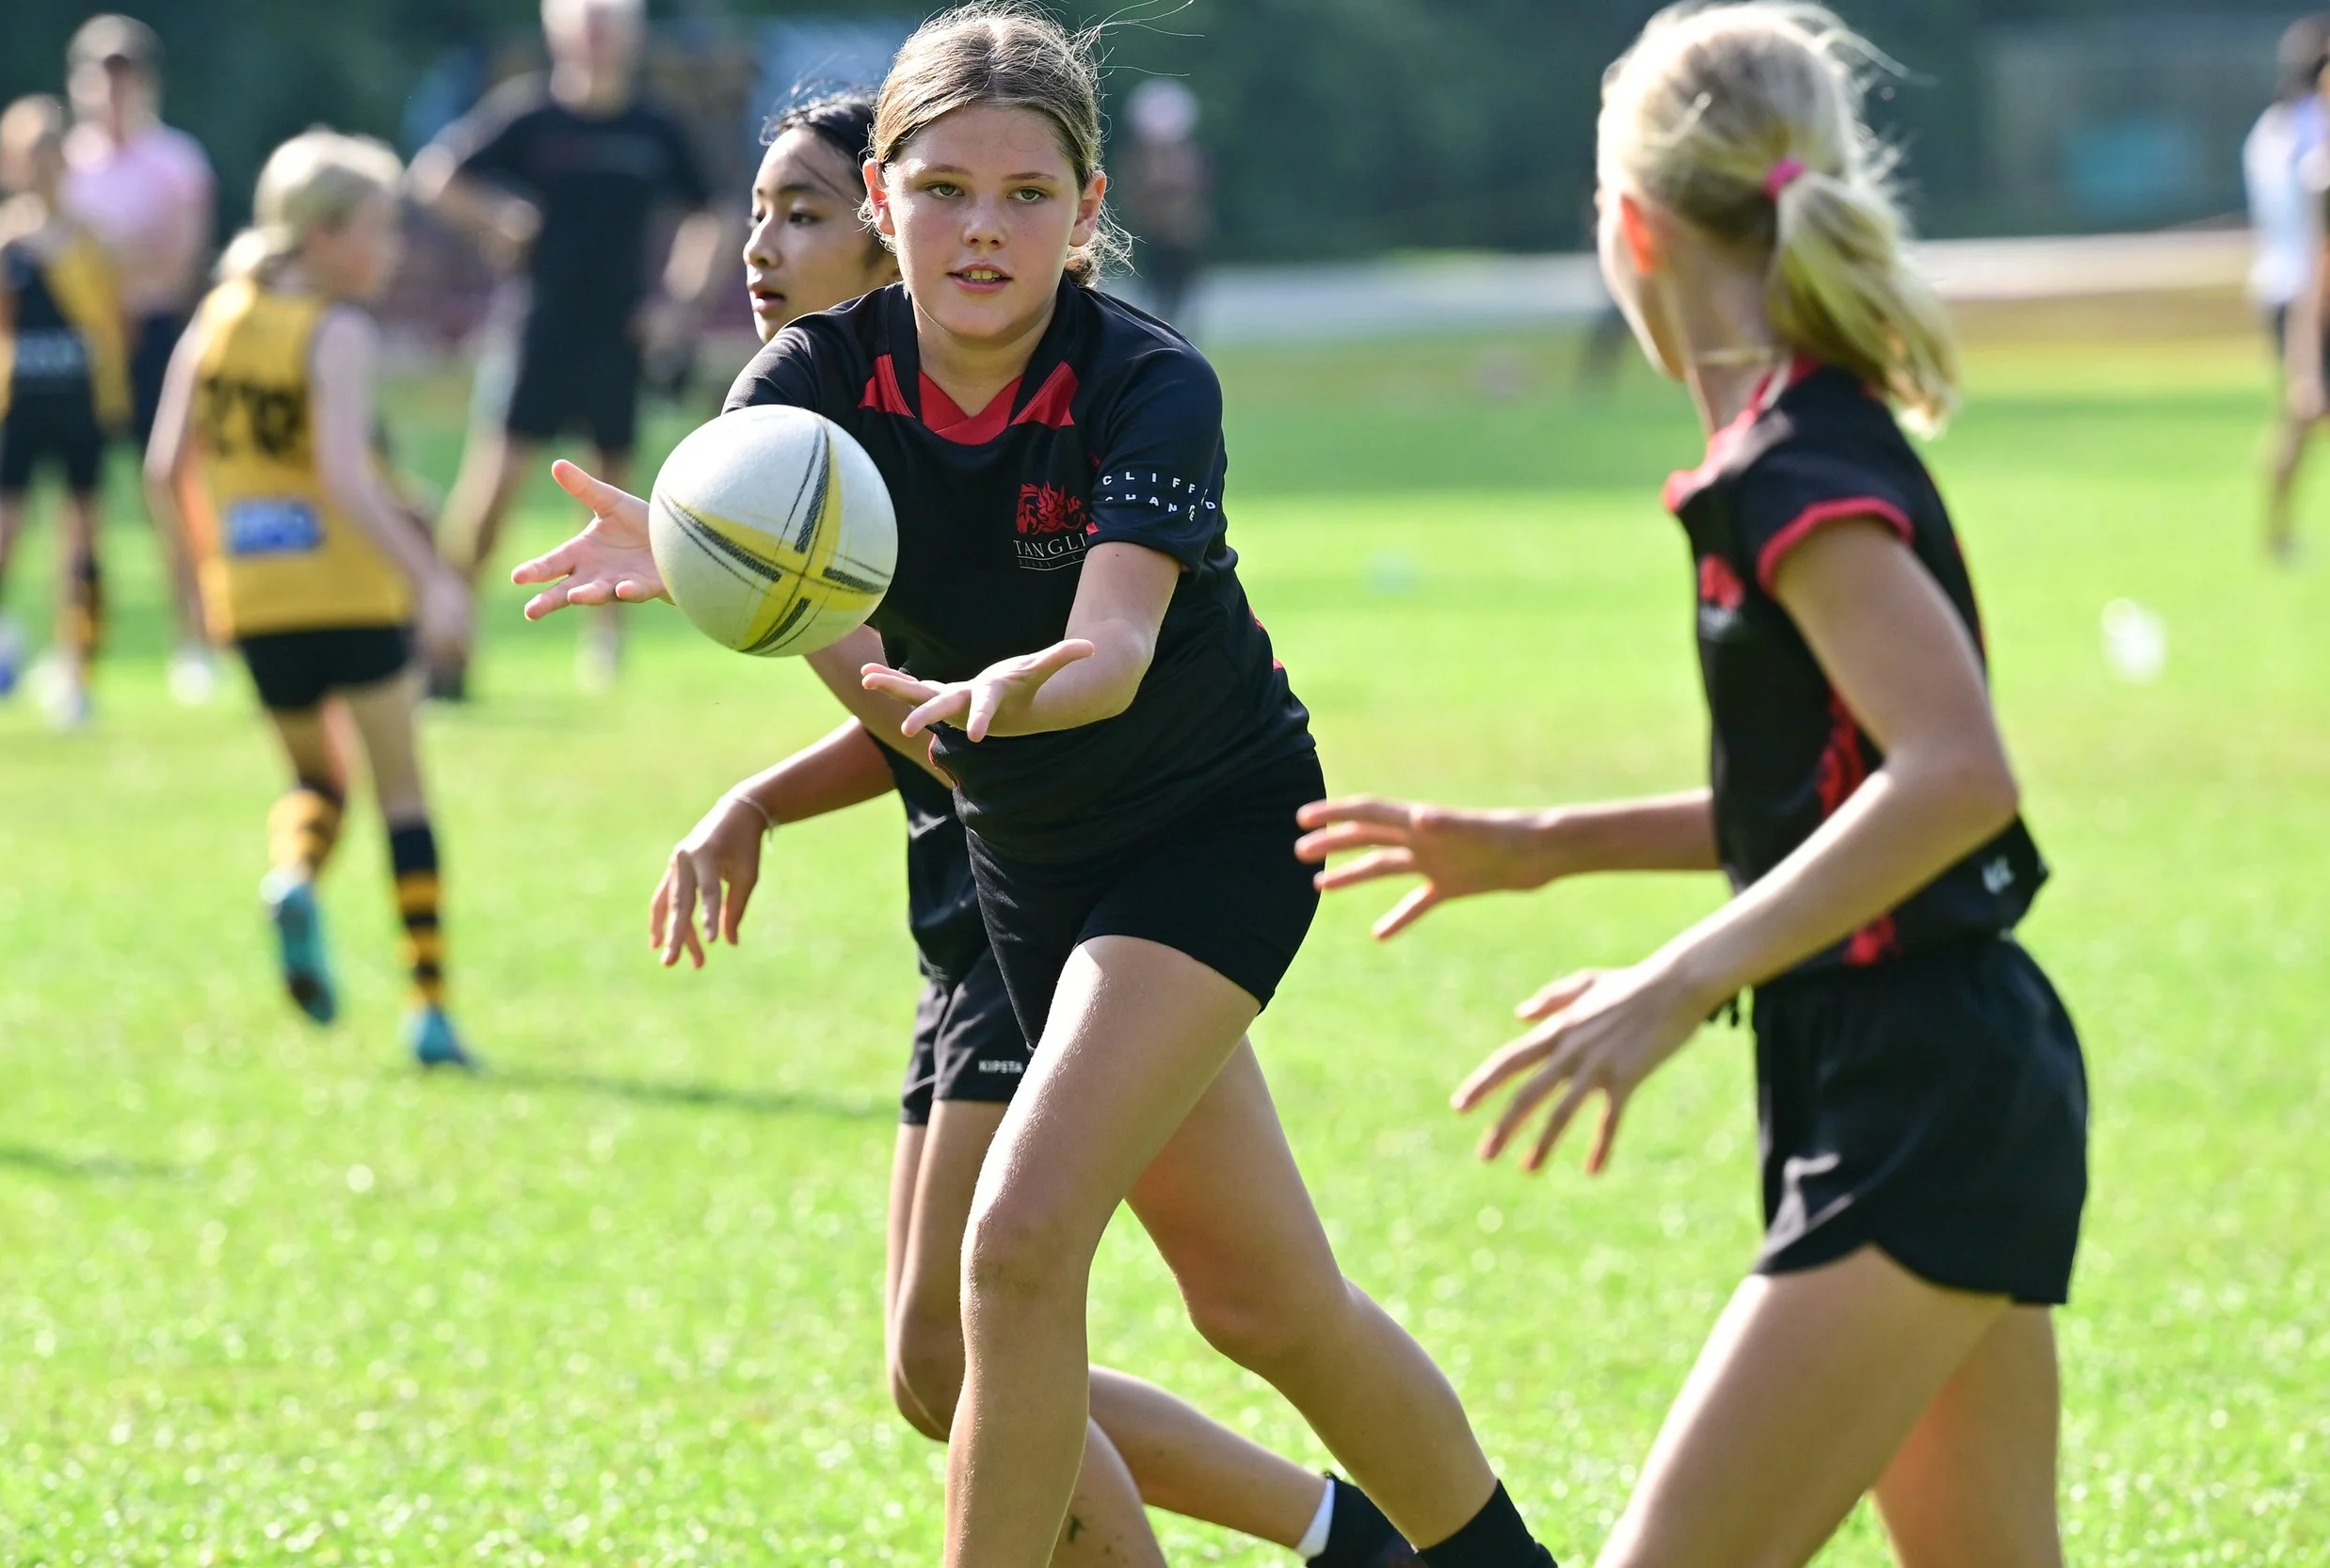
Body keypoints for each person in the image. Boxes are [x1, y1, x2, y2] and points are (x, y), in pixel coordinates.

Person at [515, 8, 1565, 1566]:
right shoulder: (799, 395)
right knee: (1264, 1303)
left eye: (1027, 195)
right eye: (944, 190)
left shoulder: (1145, 379)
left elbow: (1119, 647)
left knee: (1012, 1251)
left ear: (1087, 212)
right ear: (884, 200)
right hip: (1035, 868)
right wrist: (713, 567)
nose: (984, 230)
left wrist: (1018, 689)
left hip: (1208, 828)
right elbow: (850, 657)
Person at [1295, 7, 2088, 1566]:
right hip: (1929, 1069)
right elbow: (1846, 787)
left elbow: (1957, 773)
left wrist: (1672, 983)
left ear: (1633, 226)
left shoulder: (1786, 471)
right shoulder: (1791, 446)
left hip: (1922, 1090)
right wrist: (1542, 846)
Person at [144, 129, 478, 1070]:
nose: (391, 251)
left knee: (316, 782)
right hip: (349, 592)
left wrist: (206, 578)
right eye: (378, 229)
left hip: (254, 601)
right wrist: (432, 580)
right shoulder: (334, 328)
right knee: (401, 794)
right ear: (323, 232)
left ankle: (294, 876)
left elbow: (167, 468)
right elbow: (339, 475)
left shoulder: (216, 318)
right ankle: (430, 1009)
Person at [410, 0, 729, 696]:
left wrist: (677, 301)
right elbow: (435, 176)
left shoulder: (654, 126)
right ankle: (448, 636)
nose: (597, 41)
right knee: (489, 495)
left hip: (619, 336)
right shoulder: (529, 116)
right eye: (585, 27)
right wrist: (496, 218)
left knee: (611, 495)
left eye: (609, 27)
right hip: (538, 331)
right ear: (559, 36)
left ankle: (605, 644)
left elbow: (713, 210)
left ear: (631, 38)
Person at [60, 12, 218, 697]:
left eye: (125, 79)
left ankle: (196, 642)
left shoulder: (177, 162)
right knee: (79, 507)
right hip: (84, 350)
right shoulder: (64, 165)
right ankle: (77, 657)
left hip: (156, 341)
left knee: (170, 489)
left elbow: (178, 268)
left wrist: (109, 264)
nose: (113, 94)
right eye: (101, 79)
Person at [0, 95, 128, 727]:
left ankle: (78, 673)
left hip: (78, 405)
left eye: (51, 154)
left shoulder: (92, 240)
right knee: (1, 540)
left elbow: (115, 329)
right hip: (20, 407)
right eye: (28, 155)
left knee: (82, 541)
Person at [2255, 15, 2330, 562]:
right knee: (2304, 412)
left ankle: (2277, 532)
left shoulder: (2270, 129)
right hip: (2309, 290)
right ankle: (2276, 532)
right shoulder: (2311, 133)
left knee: (2301, 418)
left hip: (2281, 285)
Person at [1117, 79, 1212, 330]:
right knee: (1154, 295)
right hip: (1154, 238)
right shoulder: (1139, 162)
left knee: (1181, 297)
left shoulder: (1188, 157)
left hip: (1180, 241)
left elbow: (1193, 193)